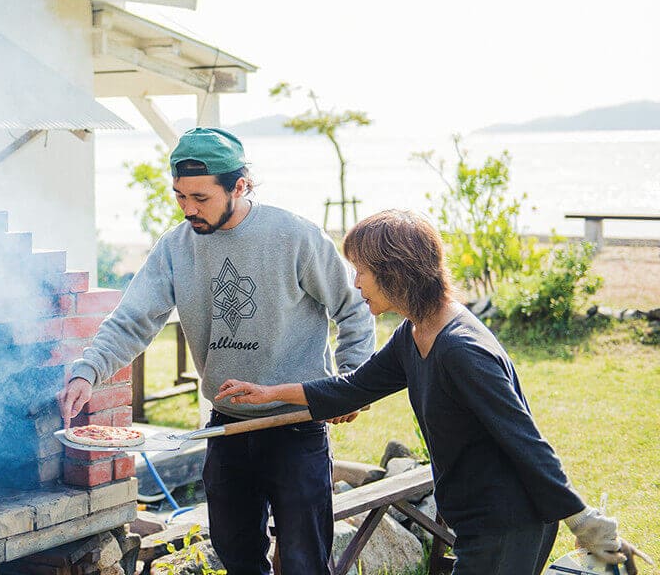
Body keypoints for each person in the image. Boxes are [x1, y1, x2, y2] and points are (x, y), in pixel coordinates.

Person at [216, 209, 651, 575]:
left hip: (508, 520)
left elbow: (525, 440)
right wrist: (270, 392)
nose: (356, 284)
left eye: (362, 272)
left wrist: (583, 520)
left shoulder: (461, 350)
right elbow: (355, 387)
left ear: (394, 273)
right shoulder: (415, 332)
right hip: (475, 515)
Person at [58, 127, 376, 575]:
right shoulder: (174, 249)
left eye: (200, 198)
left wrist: (350, 384)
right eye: (179, 196)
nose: (188, 208)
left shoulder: (295, 237)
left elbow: (354, 309)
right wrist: (86, 372)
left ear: (239, 186)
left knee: (305, 564)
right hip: (226, 431)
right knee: (236, 558)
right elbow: (132, 320)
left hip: (296, 428)